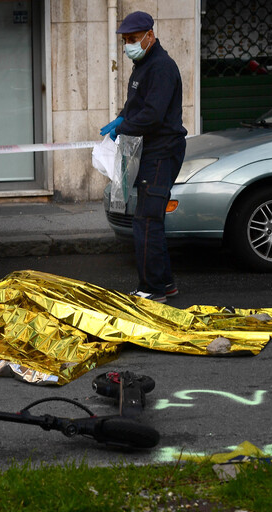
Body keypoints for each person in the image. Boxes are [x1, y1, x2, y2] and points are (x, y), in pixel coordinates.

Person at [100, 11, 187, 303]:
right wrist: (120, 119)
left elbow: (152, 115)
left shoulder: (161, 67)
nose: (128, 45)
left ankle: (152, 289)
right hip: (149, 149)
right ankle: (165, 284)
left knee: (147, 220)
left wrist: (124, 126)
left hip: (162, 150)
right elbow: (135, 106)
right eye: (125, 40)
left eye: (133, 39)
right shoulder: (143, 65)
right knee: (147, 219)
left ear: (150, 35)